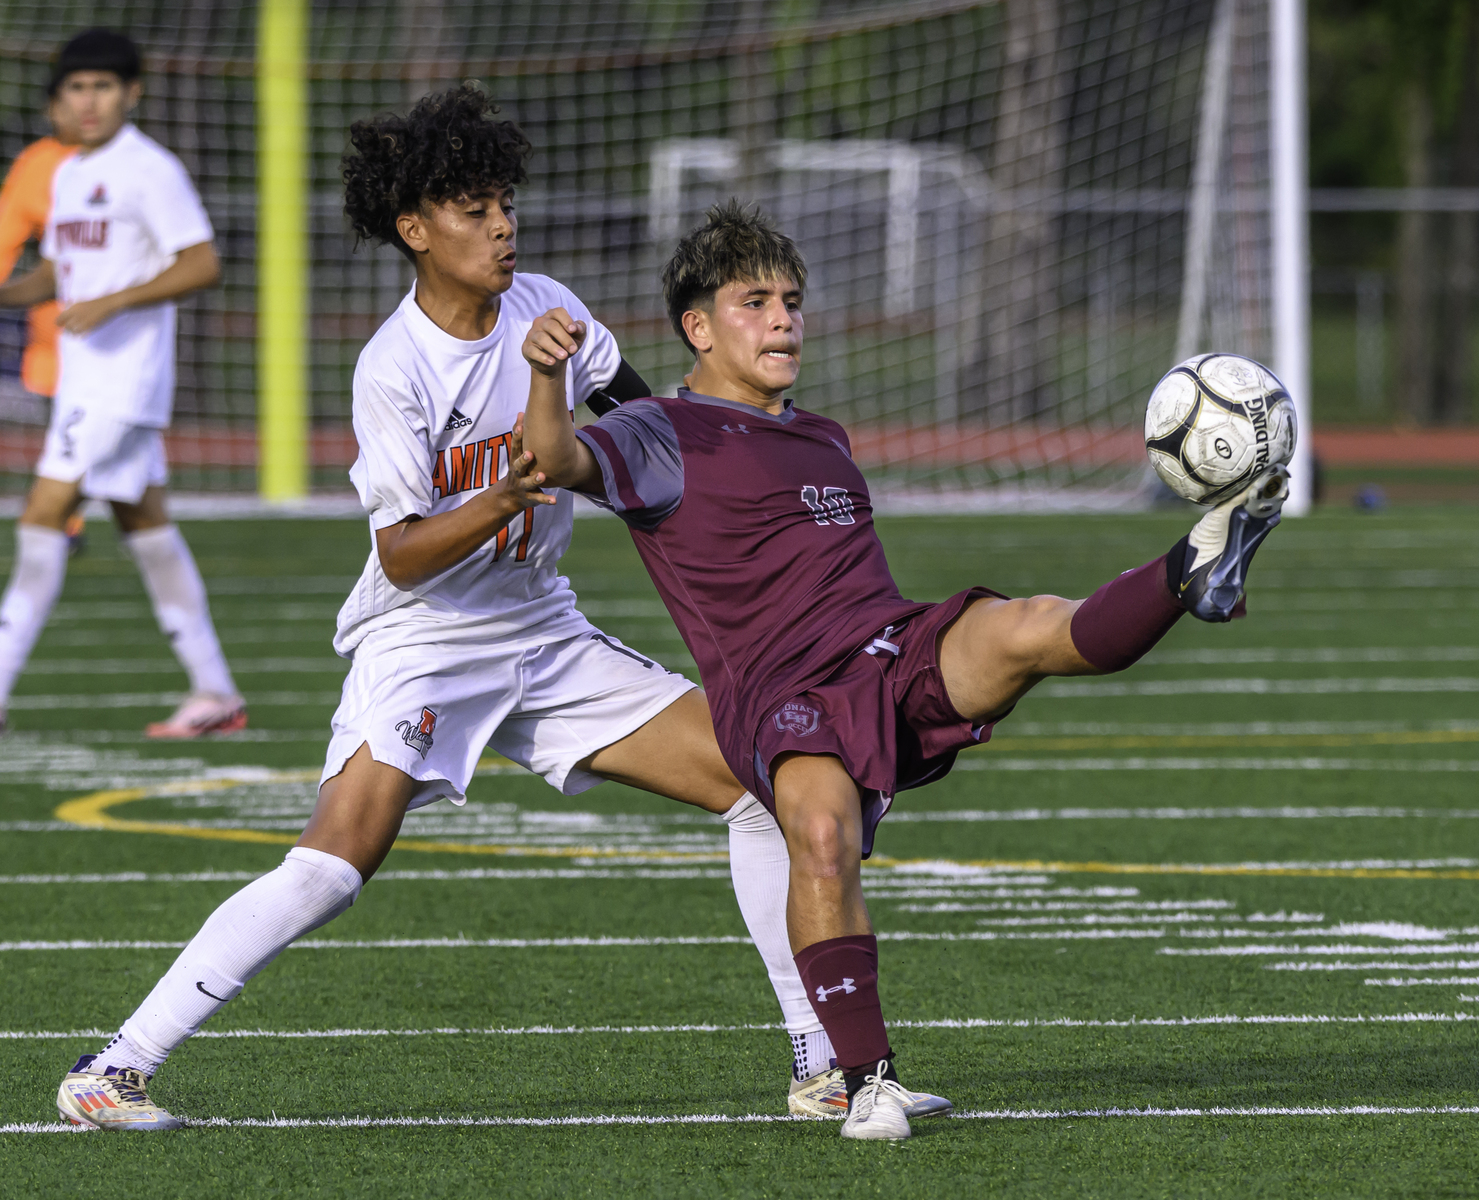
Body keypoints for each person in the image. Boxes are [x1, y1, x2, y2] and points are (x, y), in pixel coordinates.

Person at [53, 86, 948, 1133]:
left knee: (761, 787)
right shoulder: (394, 368)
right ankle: (113, 1069)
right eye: (473, 210)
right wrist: (506, 496)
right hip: (426, 643)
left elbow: (655, 424)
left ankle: (822, 1068)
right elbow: (401, 553)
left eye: (505, 203)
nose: (502, 226)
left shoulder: (548, 305)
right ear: (415, 228)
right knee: (332, 866)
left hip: (546, 633)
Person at [520, 200, 1290, 1140]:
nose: (782, 319)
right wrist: (546, 375)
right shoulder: (657, 432)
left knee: (1028, 628)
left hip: (891, 646)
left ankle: (1192, 567)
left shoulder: (825, 435)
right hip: (783, 697)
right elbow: (551, 457)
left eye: (792, 301)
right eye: (754, 302)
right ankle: (864, 1080)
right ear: (698, 327)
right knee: (817, 827)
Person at [0, 29, 242, 738]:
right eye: (76, 88)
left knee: (43, 516)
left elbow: (201, 263)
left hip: (124, 384)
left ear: (131, 93)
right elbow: (62, 272)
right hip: (86, 383)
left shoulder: (149, 169)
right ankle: (215, 692)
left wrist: (114, 301)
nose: (88, 101)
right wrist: (14, 294)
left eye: (103, 86)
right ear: (57, 102)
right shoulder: (69, 173)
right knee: (146, 525)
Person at [0, 95, 85, 553]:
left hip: (124, 330)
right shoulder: (38, 165)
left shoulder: (140, 165)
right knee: (65, 422)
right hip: (57, 324)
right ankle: (65, 522)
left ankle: (61, 518)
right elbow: (7, 232)